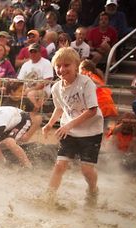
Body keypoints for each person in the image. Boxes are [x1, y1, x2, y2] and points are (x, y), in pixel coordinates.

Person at [41, 47, 103, 207]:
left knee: (86, 170)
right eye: (58, 66)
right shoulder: (56, 88)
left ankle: (93, 190)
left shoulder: (86, 82)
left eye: (66, 65)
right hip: (69, 130)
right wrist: (49, 124)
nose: (62, 69)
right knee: (60, 165)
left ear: (76, 65)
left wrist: (69, 125)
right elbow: (60, 108)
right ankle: (49, 196)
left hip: (91, 131)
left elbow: (92, 110)